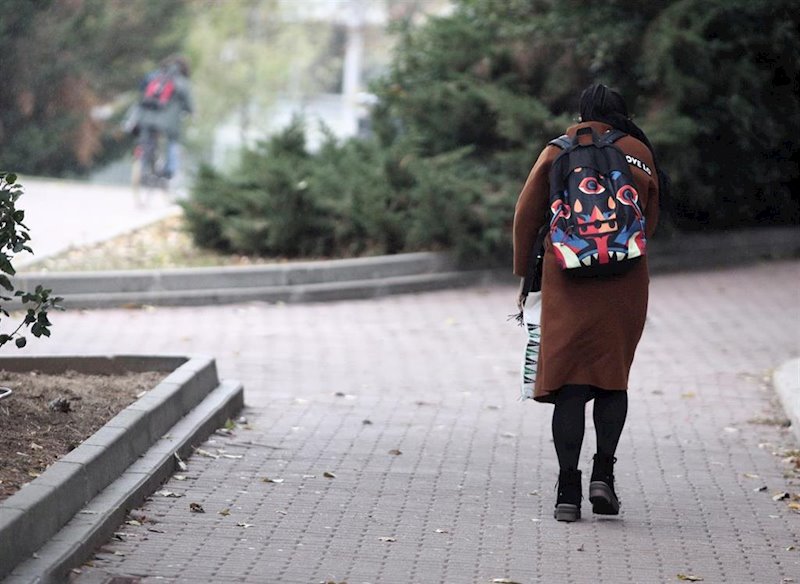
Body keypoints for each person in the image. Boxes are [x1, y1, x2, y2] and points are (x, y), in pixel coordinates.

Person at [512, 83, 667, 522]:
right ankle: (604, 476)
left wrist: (528, 273)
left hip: (567, 275)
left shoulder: (556, 150)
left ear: (582, 112)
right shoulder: (637, 151)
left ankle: (567, 492)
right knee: (611, 379)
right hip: (625, 279)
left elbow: (526, 215)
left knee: (571, 383)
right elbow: (648, 221)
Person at [137, 55, 194, 182]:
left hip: (147, 117)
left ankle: (142, 167)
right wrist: (192, 113)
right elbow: (188, 103)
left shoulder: (155, 75)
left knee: (148, 140)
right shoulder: (182, 81)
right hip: (169, 122)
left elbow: (141, 88)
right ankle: (169, 171)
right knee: (172, 141)